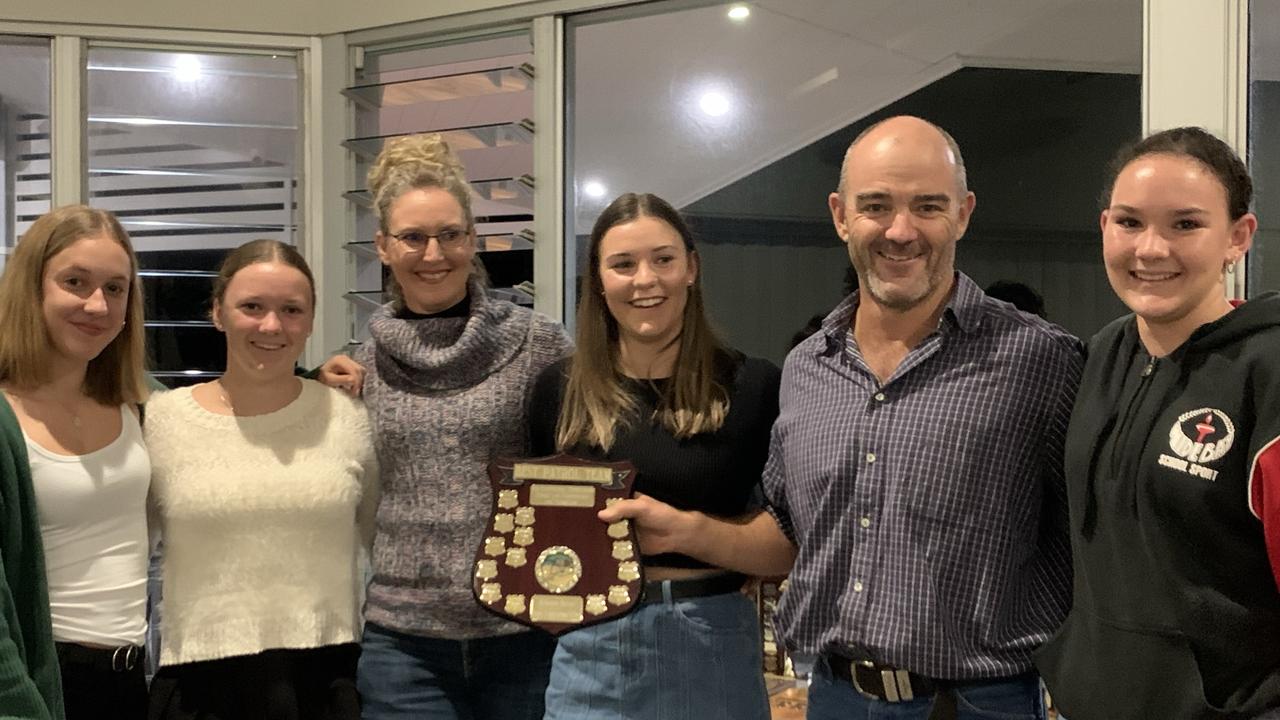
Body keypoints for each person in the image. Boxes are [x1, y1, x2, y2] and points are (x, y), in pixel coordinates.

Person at [1034, 127, 1280, 719]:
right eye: (1130, 222)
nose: (1150, 249)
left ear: (1237, 238)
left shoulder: (1267, 369)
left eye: (1185, 224)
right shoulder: (1101, 356)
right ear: (1104, 229)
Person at [340, 133, 572, 720]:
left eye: (450, 234)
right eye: (413, 238)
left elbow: (585, 462)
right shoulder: (361, 366)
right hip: (402, 646)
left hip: (522, 633)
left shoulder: (536, 342)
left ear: (472, 239)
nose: (433, 253)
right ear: (384, 248)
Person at [528, 192, 781, 719]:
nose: (645, 280)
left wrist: (687, 532)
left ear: (692, 267)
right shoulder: (558, 391)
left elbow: (790, 552)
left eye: (663, 259)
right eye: (623, 264)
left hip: (710, 642)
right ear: (599, 281)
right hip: (587, 648)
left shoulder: (754, 387)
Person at [144, 239, 378, 720]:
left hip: (325, 680)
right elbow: (130, 556)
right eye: (252, 307)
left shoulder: (349, 418)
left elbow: (379, 542)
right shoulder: (161, 420)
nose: (272, 325)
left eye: (291, 310)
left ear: (311, 320)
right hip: (199, 685)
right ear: (217, 313)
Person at [0, 205, 150, 720]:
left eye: (115, 288)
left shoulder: (138, 405)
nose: (96, 304)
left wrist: (312, 377)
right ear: (32, 286)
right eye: (75, 282)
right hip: (40, 682)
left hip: (131, 678)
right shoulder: (5, 418)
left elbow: (228, 410)